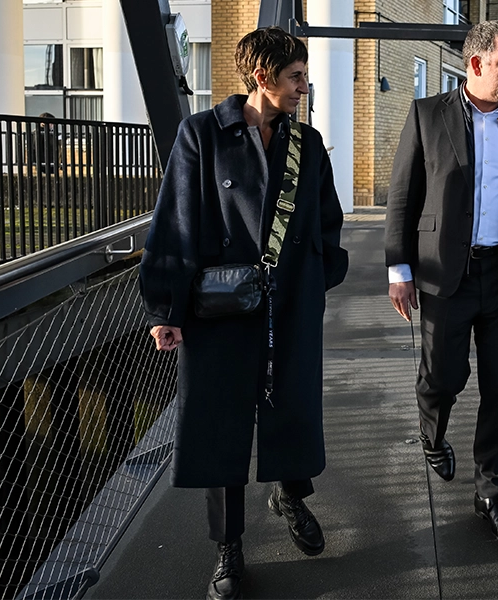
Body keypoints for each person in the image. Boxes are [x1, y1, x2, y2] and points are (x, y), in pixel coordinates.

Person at [139, 27, 347, 600]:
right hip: (220, 310)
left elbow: (326, 218)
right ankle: (228, 547)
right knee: (221, 424)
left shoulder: (306, 142)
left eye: (304, 77)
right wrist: (165, 306)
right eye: (295, 78)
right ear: (262, 78)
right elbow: (176, 221)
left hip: (291, 304)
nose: (304, 88)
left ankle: (291, 494)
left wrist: (320, 275)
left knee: (292, 408)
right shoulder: (201, 134)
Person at [384, 20, 498, 545]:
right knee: (443, 376)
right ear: (476, 64)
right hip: (443, 274)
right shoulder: (427, 114)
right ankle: (432, 433)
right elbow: (402, 196)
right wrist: (399, 270)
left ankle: (492, 494)